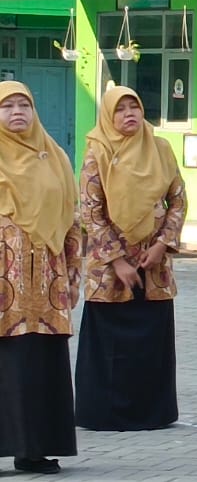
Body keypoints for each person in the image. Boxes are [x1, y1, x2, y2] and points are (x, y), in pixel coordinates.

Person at [76, 85, 183, 432]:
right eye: (120, 109)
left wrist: (163, 245)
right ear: (109, 115)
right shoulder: (98, 152)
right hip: (111, 268)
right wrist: (117, 260)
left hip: (153, 264)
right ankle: (104, 415)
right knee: (110, 344)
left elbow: (177, 200)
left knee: (151, 343)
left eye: (133, 107)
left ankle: (152, 413)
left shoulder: (161, 149)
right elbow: (90, 211)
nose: (129, 115)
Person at [0, 81, 80, 474]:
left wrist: (73, 277)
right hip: (4, 287)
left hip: (47, 283)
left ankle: (34, 449)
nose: (17, 112)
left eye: (24, 105)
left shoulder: (56, 157)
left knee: (39, 364)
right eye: (7, 106)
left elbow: (72, 222)